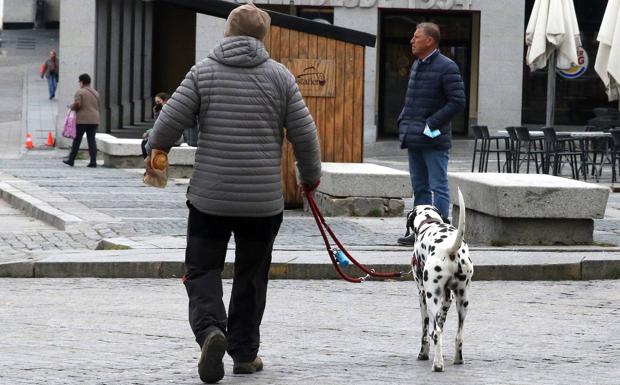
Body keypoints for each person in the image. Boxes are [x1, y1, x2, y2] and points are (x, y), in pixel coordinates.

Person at [144, 4, 321, 383]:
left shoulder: (203, 72)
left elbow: (166, 127)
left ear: (227, 31)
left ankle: (211, 331)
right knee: (251, 276)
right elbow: (306, 137)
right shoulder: (281, 77)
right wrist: (310, 179)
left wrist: (155, 149)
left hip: (210, 199)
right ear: (263, 36)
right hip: (263, 203)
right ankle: (244, 355)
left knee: (202, 269)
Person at [397, 22, 465, 246]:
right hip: (414, 136)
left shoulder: (447, 66)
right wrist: (404, 120)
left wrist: (432, 123)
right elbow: (413, 100)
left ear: (429, 41)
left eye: (416, 37)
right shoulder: (417, 64)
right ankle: (420, 230)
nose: (412, 41)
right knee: (420, 187)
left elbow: (457, 102)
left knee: (438, 185)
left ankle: (442, 229)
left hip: (434, 139)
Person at [63, 73, 100, 167]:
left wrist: (72, 106)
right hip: (94, 119)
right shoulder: (96, 92)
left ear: (82, 82)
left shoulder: (80, 92)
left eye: (79, 81)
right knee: (91, 140)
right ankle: (93, 161)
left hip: (82, 120)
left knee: (77, 140)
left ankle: (71, 160)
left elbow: (78, 104)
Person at [141, 92, 173, 158]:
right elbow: (157, 125)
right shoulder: (158, 110)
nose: (157, 104)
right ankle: (150, 163)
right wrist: (156, 113)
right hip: (163, 135)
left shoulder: (170, 110)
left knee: (149, 143)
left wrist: (148, 132)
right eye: (156, 102)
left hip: (171, 137)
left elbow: (162, 126)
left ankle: (153, 164)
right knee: (145, 142)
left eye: (158, 102)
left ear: (165, 101)